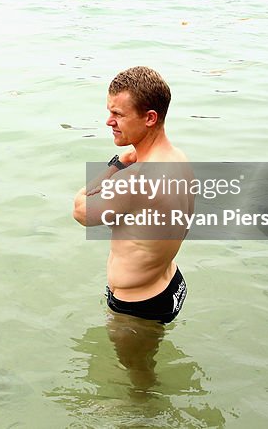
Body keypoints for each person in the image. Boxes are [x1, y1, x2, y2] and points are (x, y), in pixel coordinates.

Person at [73, 66, 191, 323]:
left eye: (117, 114)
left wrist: (115, 165)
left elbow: (80, 209)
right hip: (169, 283)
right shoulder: (179, 159)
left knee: (135, 366)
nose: (109, 121)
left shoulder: (136, 178)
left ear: (149, 118)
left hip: (139, 304)